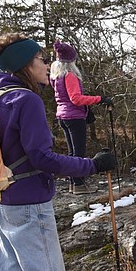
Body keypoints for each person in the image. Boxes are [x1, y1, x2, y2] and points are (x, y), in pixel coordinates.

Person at [0, 32, 117, 271]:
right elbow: (42, 158)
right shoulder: (25, 100)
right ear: (24, 65)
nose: (48, 65)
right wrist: (92, 165)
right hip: (28, 203)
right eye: (41, 60)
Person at [50, 40, 113, 195]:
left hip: (63, 116)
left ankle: (74, 183)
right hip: (74, 117)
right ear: (72, 60)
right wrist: (100, 99)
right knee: (78, 151)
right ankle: (78, 184)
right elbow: (76, 99)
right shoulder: (70, 75)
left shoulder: (55, 77)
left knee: (72, 152)